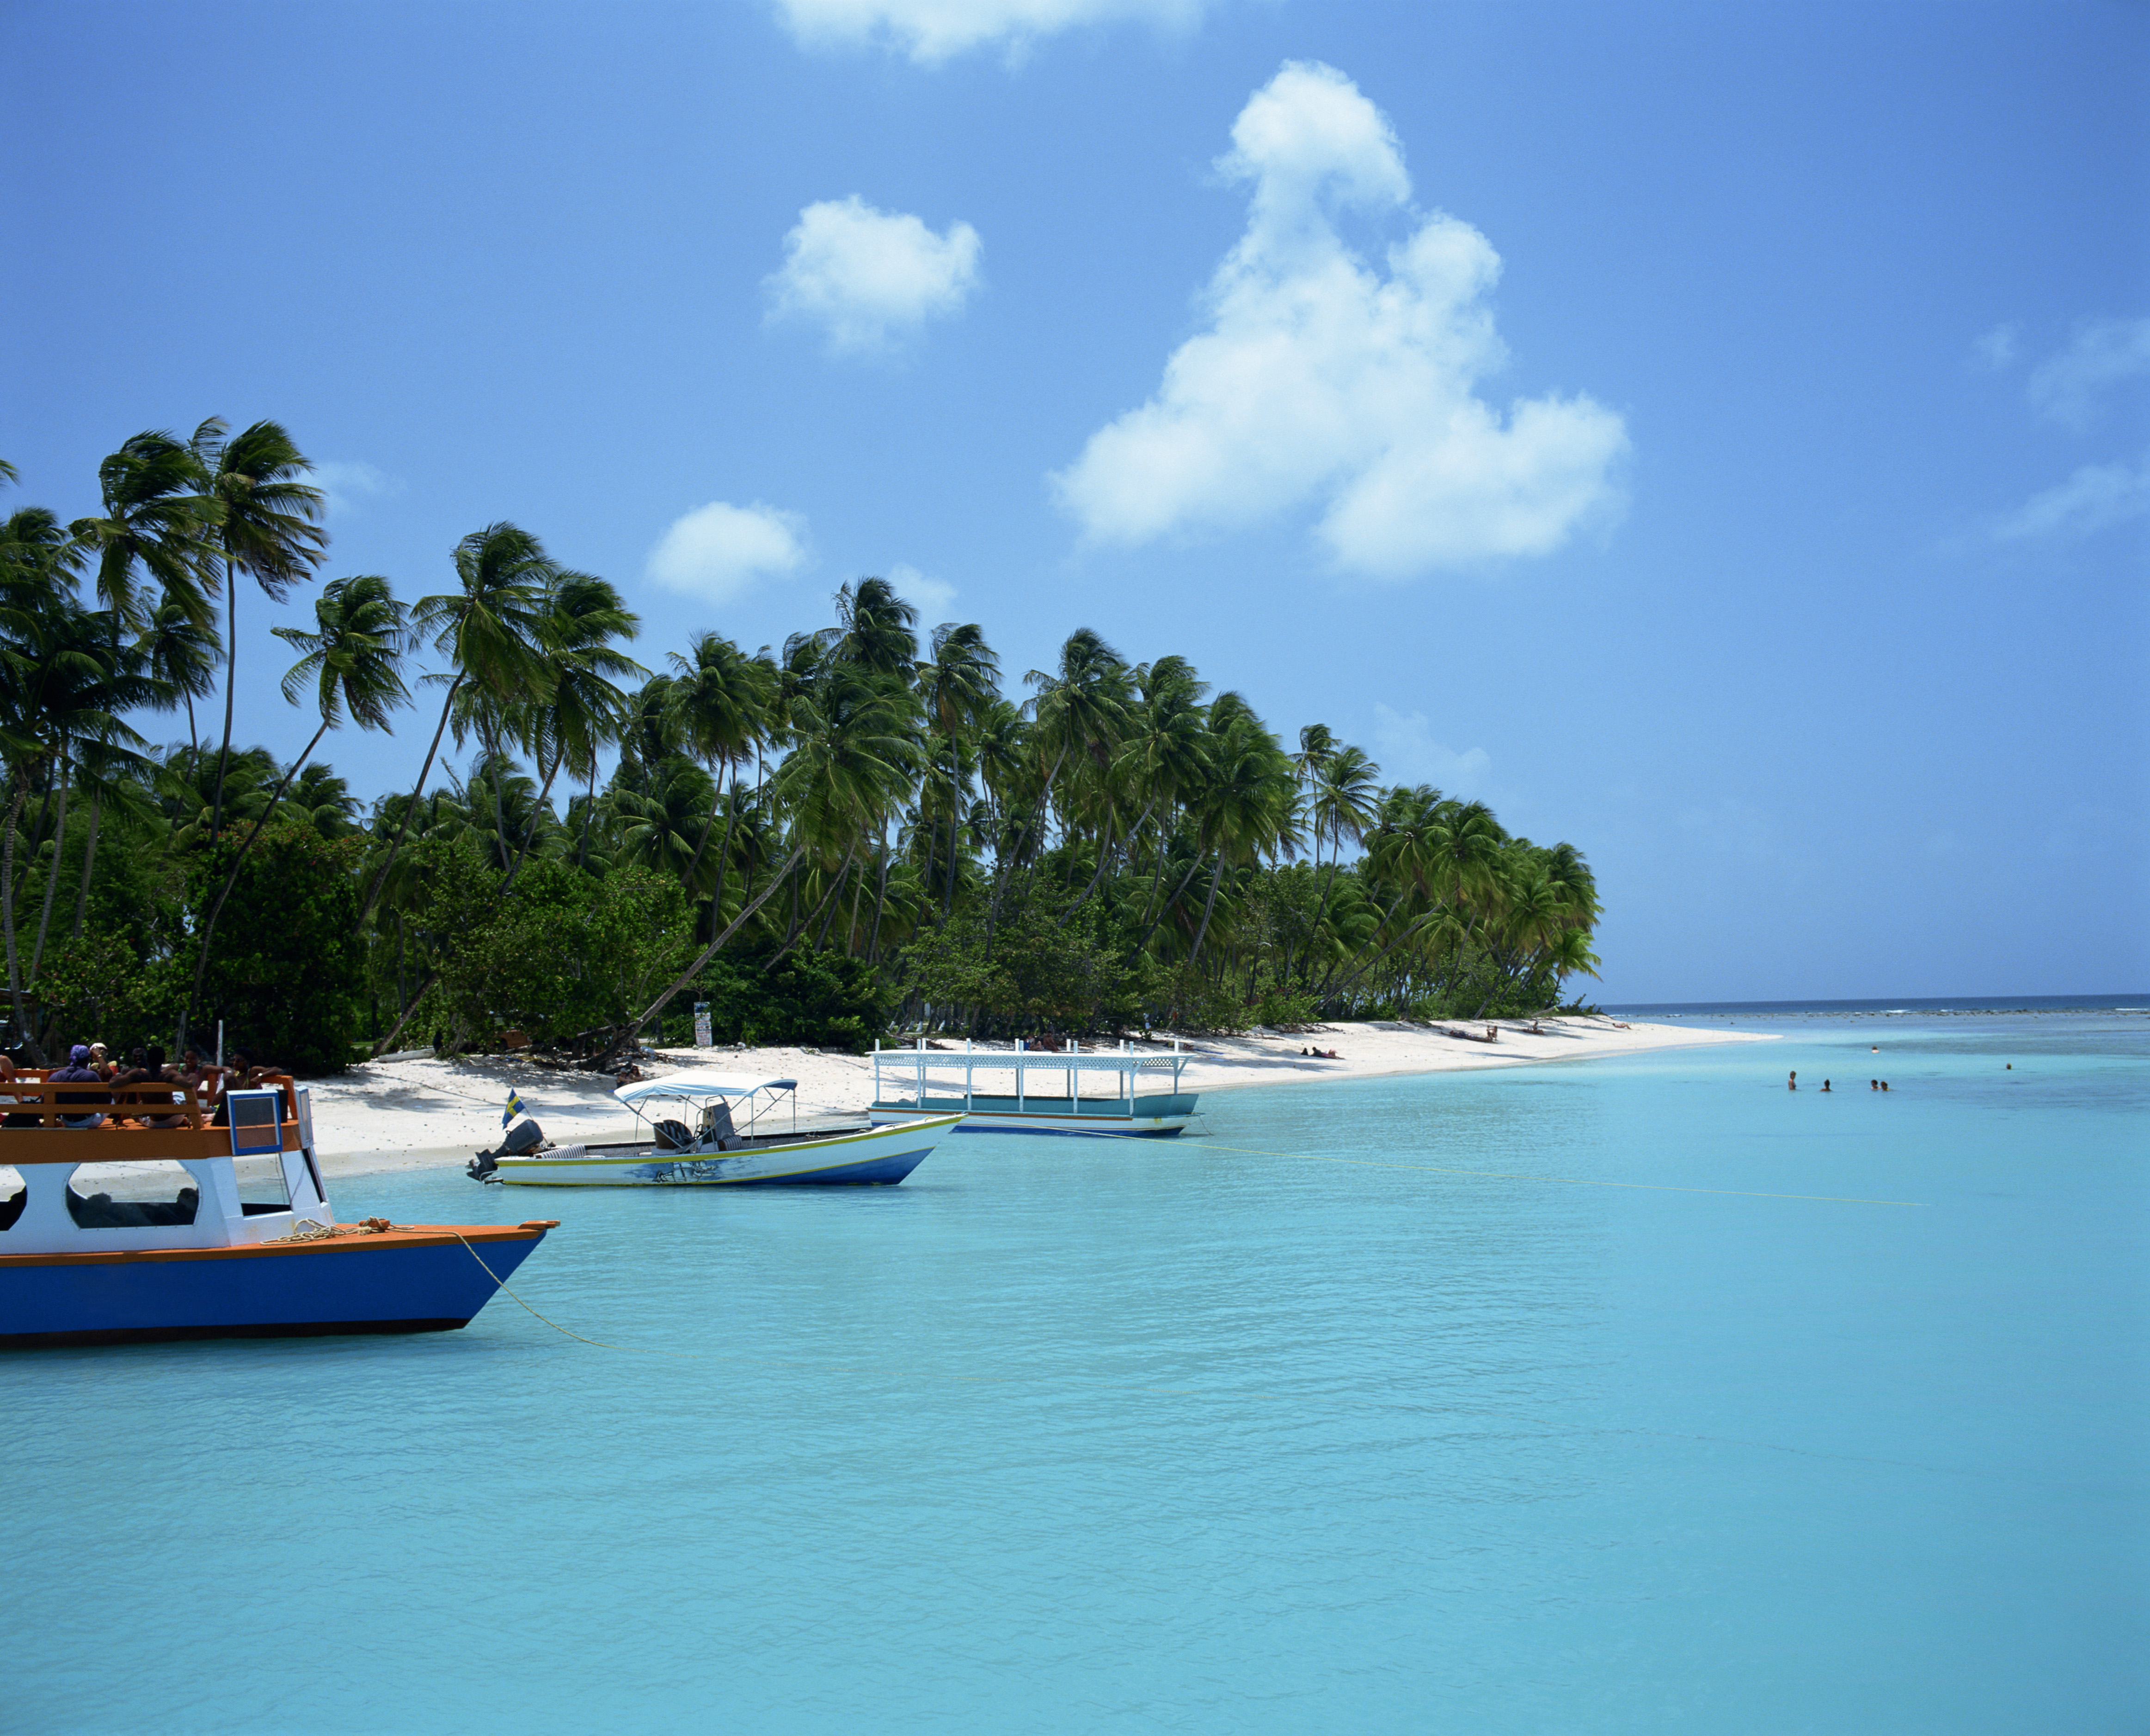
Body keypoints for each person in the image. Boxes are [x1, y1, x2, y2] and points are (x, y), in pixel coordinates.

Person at [48, 1044, 107, 1129]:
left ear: (70, 1059)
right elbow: (106, 1101)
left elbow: (45, 1101)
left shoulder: (55, 1077)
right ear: (87, 1060)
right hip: (87, 1121)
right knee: (111, 1099)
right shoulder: (91, 1076)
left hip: (66, 1121)